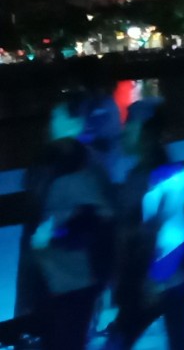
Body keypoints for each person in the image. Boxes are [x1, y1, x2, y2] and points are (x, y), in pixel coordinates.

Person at [15, 91, 115, 350]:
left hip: (71, 280)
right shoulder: (53, 161)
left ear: (75, 123)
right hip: (51, 278)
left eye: (56, 116)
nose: (50, 122)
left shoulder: (82, 166)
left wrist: (56, 235)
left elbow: (99, 221)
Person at [106, 100, 184, 350]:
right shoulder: (149, 175)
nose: (124, 132)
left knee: (122, 339)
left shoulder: (156, 178)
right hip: (159, 281)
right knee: (178, 340)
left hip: (152, 282)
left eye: (129, 126)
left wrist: (154, 279)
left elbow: (169, 232)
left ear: (145, 133)